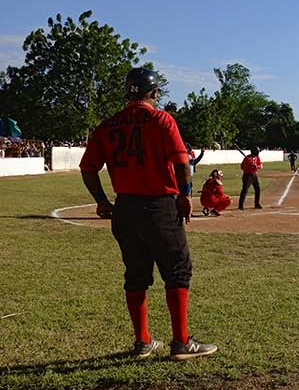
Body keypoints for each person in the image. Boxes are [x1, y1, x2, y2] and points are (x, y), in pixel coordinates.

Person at [79, 67, 217, 361]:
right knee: (177, 270)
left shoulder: (106, 126)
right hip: (159, 206)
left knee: (136, 275)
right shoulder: (161, 119)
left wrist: (102, 201)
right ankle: (181, 342)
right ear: (154, 93)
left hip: (125, 208)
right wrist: (185, 195)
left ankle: (143, 342)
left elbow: (88, 168)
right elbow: (181, 162)